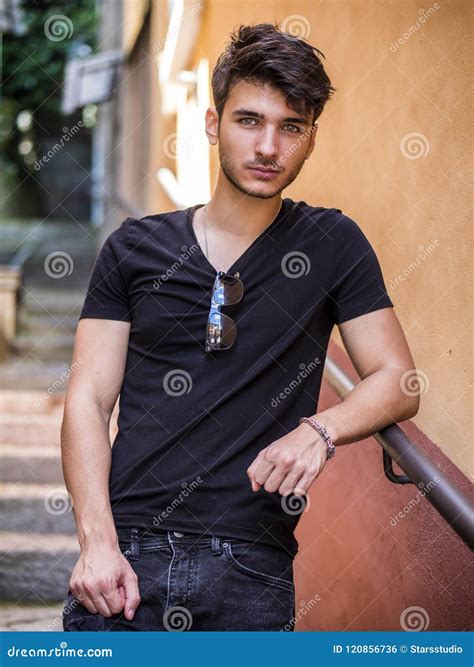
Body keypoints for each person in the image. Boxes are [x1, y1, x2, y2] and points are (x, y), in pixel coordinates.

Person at [61, 22, 419, 632]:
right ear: (211, 124)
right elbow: (88, 400)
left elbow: (399, 380)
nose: (268, 147)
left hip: (253, 568)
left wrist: (321, 430)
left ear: (310, 141)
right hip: (127, 558)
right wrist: (97, 543)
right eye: (249, 120)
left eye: (291, 127)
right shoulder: (135, 247)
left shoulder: (332, 244)